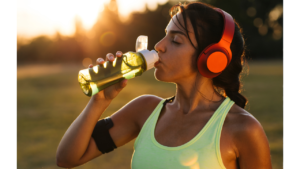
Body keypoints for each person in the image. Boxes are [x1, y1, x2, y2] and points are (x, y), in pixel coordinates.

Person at [56, 2, 272, 169]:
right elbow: (67, 158)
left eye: (176, 41)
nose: (159, 46)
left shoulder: (243, 129)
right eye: (165, 35)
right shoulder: (144, 110)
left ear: (212, 58)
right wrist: (99, 101)